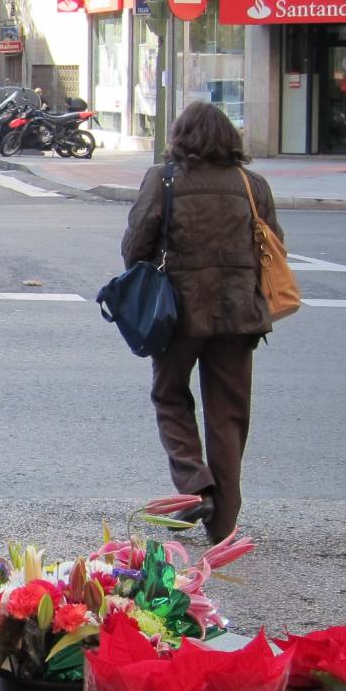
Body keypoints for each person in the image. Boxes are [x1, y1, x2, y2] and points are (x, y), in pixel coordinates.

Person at [120, 101, 281, 543]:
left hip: (178, 314)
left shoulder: (164, 179)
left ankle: (195, 484)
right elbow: (273, 245)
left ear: (181, 137)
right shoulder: (253, 185)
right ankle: (223, 524)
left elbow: (135, 246)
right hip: (238, 315)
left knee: (169, 394)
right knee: (228, 416)